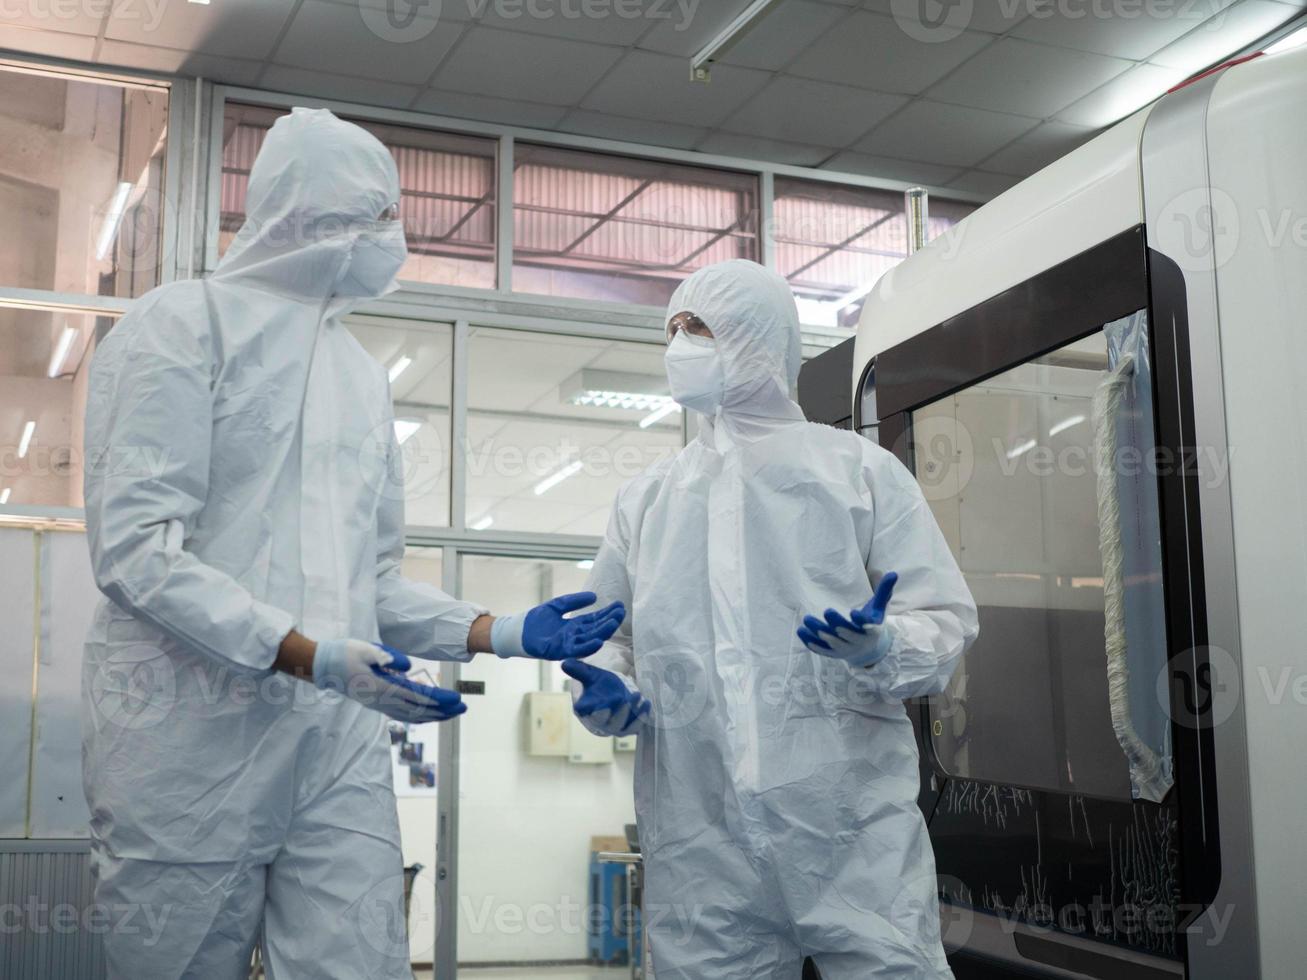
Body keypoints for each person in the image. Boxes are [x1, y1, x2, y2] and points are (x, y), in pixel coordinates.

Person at [81, 107, 623, 980]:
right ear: (312, 215)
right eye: (377, 215)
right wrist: (304, 653)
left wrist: (502, 633)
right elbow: (135, 551)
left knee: (359, 962)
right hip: (185, 751)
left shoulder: (357, 375)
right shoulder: (179, 326)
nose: (390, 239)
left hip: (334, 749)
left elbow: (372, 581)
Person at [563, 259, 978, 979]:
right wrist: (602, 694)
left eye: (700, 328)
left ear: (760, 339)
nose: (680, 347)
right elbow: (607, 638)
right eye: (672, 331)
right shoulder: (648, 500)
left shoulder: (858, 473)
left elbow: (940, 619)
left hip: (848, 829)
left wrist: (880, 646)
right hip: (700, 836)